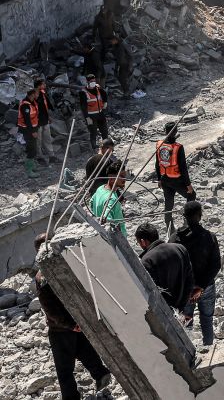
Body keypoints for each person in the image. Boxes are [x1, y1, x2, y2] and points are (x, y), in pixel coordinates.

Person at [34, 234, 112, 400]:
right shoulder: (67, 264)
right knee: (83, 350)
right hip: (78, 320)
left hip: (61, 328)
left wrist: (68, 324)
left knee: (64, 370)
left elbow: (49, 308)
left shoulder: (42, 276)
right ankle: (100, 373)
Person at [171, 201, 221, 346]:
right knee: (207, 320)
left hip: (185, 289)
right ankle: (209, 350)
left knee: (186, 321)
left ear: (184, 216)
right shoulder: (209, 237)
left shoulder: (175, 238)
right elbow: (216, 265)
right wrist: (200, 287)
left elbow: (173, 265)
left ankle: (188, 354)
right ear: (200, 216)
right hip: (206, 287)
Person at [136, 222, 195, 312]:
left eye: (138, 242)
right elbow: (189, 280)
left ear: (143, 241)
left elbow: (153, 292)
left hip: (165, 313)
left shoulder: (147, 261)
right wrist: (181, 308)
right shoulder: (180, 248)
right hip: (182, 308)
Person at [156, 123, 195, 233]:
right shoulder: (178, 147)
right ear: (175, 132)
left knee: (168, 205)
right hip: (176, 180)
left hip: (164, 179)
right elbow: (183, 168)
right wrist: (188, 185)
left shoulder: (159, 145)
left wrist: (159, 179)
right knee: (192, 195)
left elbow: (157, 163)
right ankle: (188, 222)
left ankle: (170, 228)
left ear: (165, 131)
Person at [89, 159, 127, 236]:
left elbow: (91, 202)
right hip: (118, 240)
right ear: (112, 179)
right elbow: (109, 222)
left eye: (125, 176)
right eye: (122, 176)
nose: (125, 179)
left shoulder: (100, 188)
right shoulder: (112, 199)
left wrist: (97, 214)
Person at [82, 75, 110, 151]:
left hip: (100, 114)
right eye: (91, 81)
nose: (93, 83)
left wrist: (105, 102)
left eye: (94, 81)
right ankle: (94, 147)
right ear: (87, 82)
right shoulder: (83, 92)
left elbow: (104, 95)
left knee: (104, 131)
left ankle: (106, 145)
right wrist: (87, 117)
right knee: (93, 132)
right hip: (91, 116)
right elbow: (83, 107)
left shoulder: (98, 88)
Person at [34, 78, 58, 164]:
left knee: (47, 139)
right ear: (39, 86)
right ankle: (40, 158)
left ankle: (52, 156)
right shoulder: (31, 96)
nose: (45, 86)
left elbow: (47, 106)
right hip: (36, 123)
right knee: (38, 141)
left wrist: (49, 117)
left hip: (44, 120)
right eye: (43, 84)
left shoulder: (43, 94)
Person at [18, 87, 40, 178]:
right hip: (27, 130)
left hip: (32, 129)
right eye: (37, 93)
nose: (38, 94)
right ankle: (29, 171)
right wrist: (33, 132)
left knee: (34, 148)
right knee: (31, 149)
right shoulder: (25, 105)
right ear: (32, 94)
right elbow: (27, 120)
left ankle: (32, 166)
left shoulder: (32, 102)